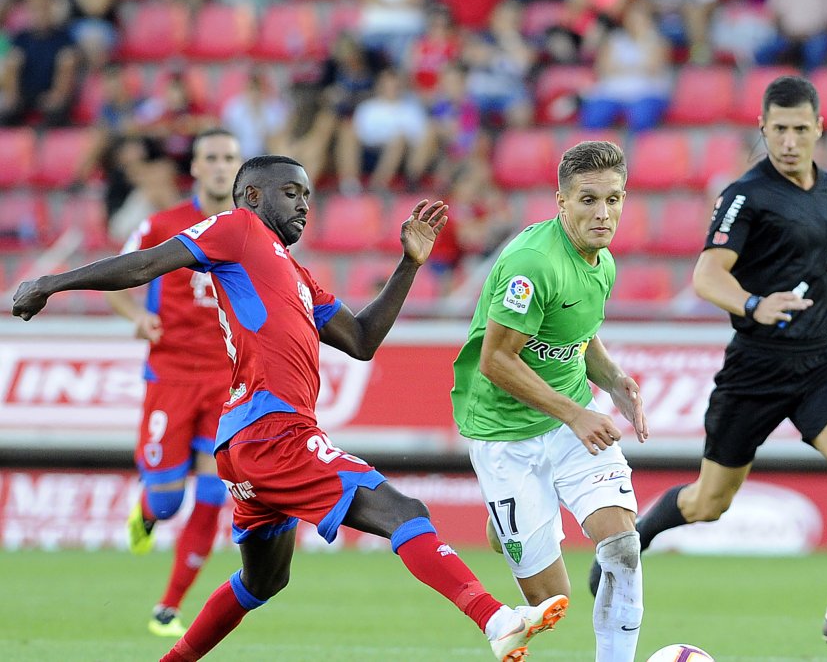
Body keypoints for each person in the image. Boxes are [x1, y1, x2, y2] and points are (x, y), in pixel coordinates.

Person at [12, 155, 567, 662]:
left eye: (308, 196)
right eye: (291, 193)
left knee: (263, 581)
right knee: (405, 512)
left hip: (249, 443)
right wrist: (50, 283)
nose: (305, 204)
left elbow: (362, 339)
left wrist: (408, 264)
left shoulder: (296, 276)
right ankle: (494, 618)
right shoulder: (238, 229)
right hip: (271, 429)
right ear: (252, 196)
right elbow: (145, 266)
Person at [590, 75, 827, 654]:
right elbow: (707, 275)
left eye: (800, 129)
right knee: (709, 502)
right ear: (763, 128)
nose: (788, 140)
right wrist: (755, 304)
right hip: (754, 370)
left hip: (817, 365)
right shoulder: (746, 195)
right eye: (778, 129)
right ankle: (632, 542)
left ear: (819, 129)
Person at [451, 141, 649, 662]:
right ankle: (503, 523)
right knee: (550, 601)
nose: (602, 213)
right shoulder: (531, 264)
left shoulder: (602, 262)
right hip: (504, 433)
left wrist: (614, 380)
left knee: (623, 549)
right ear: (561, 201)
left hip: (570, 424)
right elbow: (496, 360)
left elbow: (578, 338)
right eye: (588, 200)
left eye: (613, 199)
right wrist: (575, 413)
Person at [103, 128, 241, 638]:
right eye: (213, 157)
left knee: (212, 489)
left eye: (231, 157)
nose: (222, 165)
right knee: (166, 500)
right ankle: (147, 513)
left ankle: (168, 606)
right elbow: (114, 277)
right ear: (197, 169)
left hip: (228, 382)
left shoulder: (252, 230)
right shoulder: (161, 226)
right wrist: (136, 316)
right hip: (171, 376)